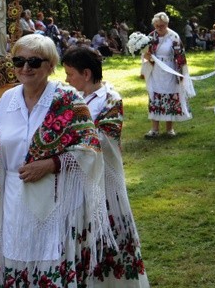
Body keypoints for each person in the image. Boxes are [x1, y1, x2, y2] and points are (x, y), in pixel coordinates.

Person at [0, 34, 115, 286]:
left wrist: (51, 164)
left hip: (55, 203)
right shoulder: (6, 100)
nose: (25, 67)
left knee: (52, 267)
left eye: (34, 62)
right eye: (19, 61)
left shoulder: (68, 100)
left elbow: (90, 147)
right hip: (13, 203)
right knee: (16, 266)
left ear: (50, 65)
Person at [61, 46, 149, 286]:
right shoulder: (70, 97)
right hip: (76, 178)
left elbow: (103, 139)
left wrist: (68, 139)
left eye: (70, 73)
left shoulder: (110, 99)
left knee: (108, 232)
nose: (66, 79)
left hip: (103, 179)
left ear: (86, 73)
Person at [141, 12, 195, 137]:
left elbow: (181, 56)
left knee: (170, 96)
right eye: (157, 25)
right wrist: (147, 57)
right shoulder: (150, 37)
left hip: (170, 70)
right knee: (155, 96)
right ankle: (154, 129)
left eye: (162, 25)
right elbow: (144, 54)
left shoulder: (174, 37)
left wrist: (181, 75)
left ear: (167, 24)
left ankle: (169, 129)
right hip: (155, 71)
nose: (159, 28)